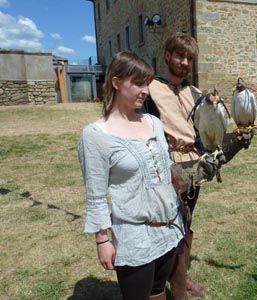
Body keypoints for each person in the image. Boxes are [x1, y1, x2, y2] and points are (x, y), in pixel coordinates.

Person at [78, 51, 185, 300]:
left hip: (169, 227)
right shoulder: (96, 135)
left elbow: (166, 167)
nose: (145, 90)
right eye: (138, 83)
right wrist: (102, 240)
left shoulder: (153, 122)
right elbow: (95, 195)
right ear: (116, 82)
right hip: (134, 235)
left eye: (147, 83)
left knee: (159, 292)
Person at [141, 32, 208, 300]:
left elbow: (203, 130)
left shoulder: (196, 93)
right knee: (168, 224)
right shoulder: (150, 88)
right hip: (166, 164)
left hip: (195, 163)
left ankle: (183, 275)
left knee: (187, 219)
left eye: (189, 58)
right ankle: (165, 281)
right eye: (180, 55)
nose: (184, 62)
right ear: (167, 55)